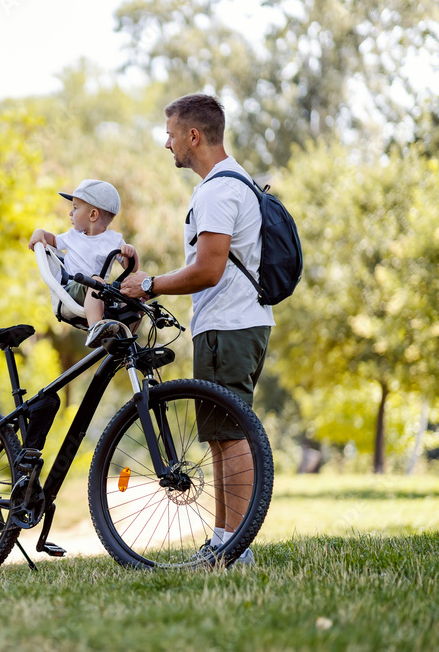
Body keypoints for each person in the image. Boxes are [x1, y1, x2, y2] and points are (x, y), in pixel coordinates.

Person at [120, 94, 274, 566]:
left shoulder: (218, 190)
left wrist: (149, 285)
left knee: (233, 434)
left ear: (193, 135)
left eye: (170, 135)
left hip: (230, 325)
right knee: (222, 436)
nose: (166, 144)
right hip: (226, 325)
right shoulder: (225, 184)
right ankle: (224, 540)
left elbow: (208, 270)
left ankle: (236, 547)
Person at [28, 179, 138, 347]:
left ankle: (127, 338)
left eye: (75, 208)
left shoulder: (115, 240)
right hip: (74, 289)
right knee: (97, 282)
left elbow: (132, 268)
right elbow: (51, 240)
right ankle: (95, 328)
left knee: (141, 281)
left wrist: (130, 251)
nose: (70, 214)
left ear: (93, 215)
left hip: (100, 292)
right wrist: (39, 232)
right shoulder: (72, 236)